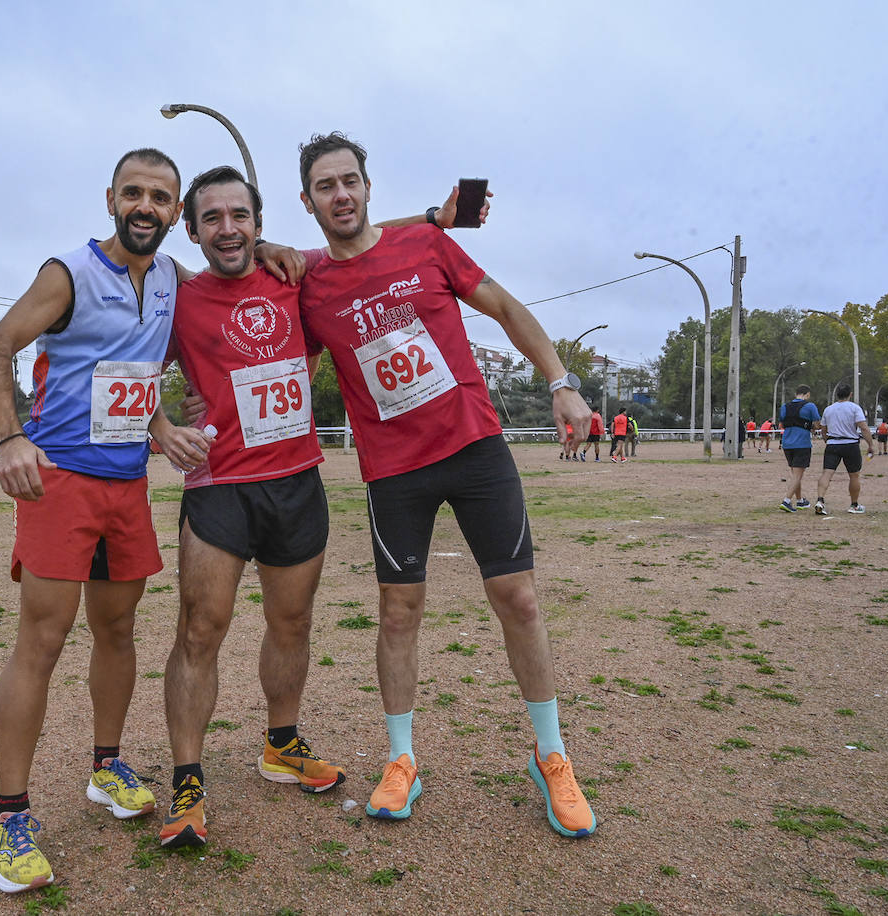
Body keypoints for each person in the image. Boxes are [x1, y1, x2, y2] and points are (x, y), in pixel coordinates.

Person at [295, 132, 596, 838]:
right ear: (306, 201)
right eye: (323, 185)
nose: (339, 194)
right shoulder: (309, 285)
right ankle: (402, 761)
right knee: (399, 612)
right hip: (394, 470)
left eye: (349, 181)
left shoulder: (427, 247)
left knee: (517, 598)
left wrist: (562, 383)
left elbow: (508, 309)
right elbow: (291, 367)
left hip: (475, 447)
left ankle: (551, 756)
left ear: (368, 187)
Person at [0, 148, 214, 894]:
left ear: (178, 213)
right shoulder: (68, 274)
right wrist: (12, 438)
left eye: (162, 197)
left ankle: (106, 768)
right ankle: (10, 817)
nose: (147, 206)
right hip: (63, 483)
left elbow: (136, 369)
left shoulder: (174, 280)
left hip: (125, 489)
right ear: (111, 198)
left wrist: (160, 427)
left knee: (116, 633)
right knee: (41, 640)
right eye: (135, 193)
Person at [156, 166, 350, 850]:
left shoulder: (295, 277)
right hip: (219, 486)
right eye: (212, 218)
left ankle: (281, 744)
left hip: (296, 480)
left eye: (240, 215)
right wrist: (160, 425)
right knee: (200, 631)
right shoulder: (177, 301)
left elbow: (367, 243)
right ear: (193, 230)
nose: (228, 228)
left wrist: (440, 217)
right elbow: (128, 361)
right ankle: (186, 780)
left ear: (260, 223)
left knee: (291, 621)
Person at [815, 383, 875, 516]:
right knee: (854, 475)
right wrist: (870, 445)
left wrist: (827, 441)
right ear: (850, 394)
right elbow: (864, 428)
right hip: (850, 444)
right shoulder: (854, 408)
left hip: (833, 443)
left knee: (826, 473)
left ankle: (820, 500)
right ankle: (854, 505)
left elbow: (823, 429)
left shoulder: (828, 409)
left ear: (837, 395)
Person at [777, 385, 821, 512]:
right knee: (797, 475)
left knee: (795, 474)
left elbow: (782, 423)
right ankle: (786, 501)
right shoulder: (810, 406)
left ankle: (800, 500)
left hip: (787, 443)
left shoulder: (785, 406)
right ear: (807, 394)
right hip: (802, 444)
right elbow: (817, 424)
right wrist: (813, 427)